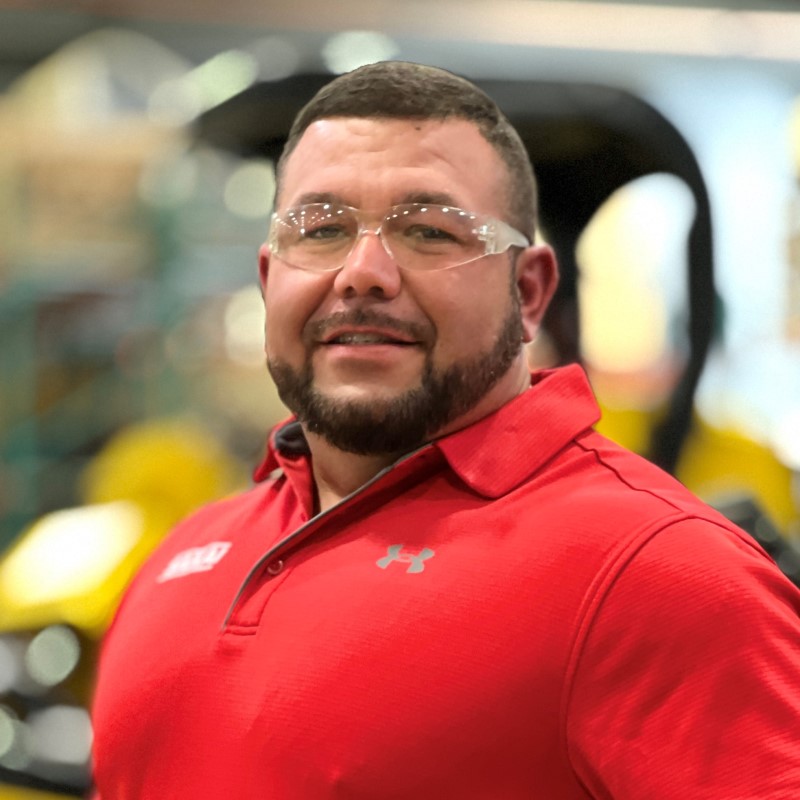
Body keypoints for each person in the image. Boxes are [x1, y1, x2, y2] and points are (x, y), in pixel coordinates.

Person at [91, 61, 800, 798]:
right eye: (322, 228)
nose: (363, 272)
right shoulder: (180, 560)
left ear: (527, 293)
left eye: (430, 230)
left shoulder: (661, 576)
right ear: (271, 278)